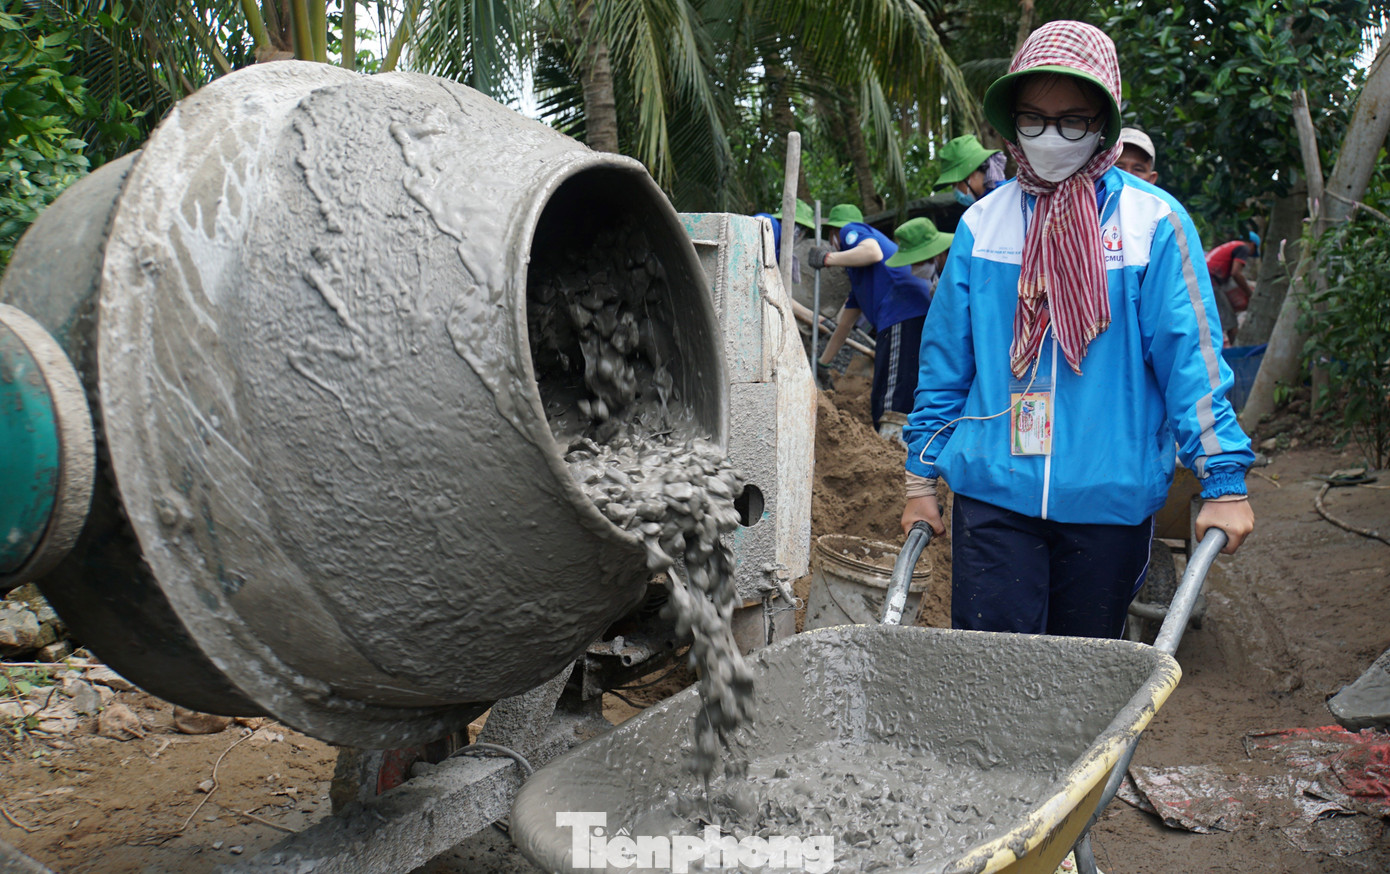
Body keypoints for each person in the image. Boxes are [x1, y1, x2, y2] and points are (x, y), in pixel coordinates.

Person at [900, 21, 1255, 640]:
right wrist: (919, 477)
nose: (1050, 137)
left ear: (1103, 123)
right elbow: (945, 366)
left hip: (1108, 498)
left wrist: (1222, 479)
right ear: (1012, 122)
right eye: (1033, 119)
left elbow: (1190, 362)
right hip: (995, 493)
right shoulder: (984, 226)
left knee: (1083, 683)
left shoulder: (1153, 224)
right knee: (991, 675)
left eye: (1072, 120)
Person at [809, 203, 935, 442]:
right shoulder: (861, 279)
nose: (833, 241)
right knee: (884, 388)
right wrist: (822, 364)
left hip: (904, 314)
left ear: (836, 232)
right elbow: (843, 328)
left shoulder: (850, 230)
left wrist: (828, 258)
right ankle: (894, 444)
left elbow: (872, 252)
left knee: (893, 390)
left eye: (831, 237)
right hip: (907, 317)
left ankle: (891, 445)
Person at [1206, 232, 1260, 343]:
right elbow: (1236, 273)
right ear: (1253, 245)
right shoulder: (1243, 248)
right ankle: (1236, 353)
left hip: (1207, 279)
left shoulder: (1231, 245)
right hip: (1211, 282)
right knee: (1231, 324)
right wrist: (1250, 294)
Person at [934, 135, 1005, 207]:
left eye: (955, 184)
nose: (955, 191)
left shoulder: (1001, 201)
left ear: (969, 175)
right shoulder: (1008, 193)